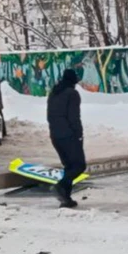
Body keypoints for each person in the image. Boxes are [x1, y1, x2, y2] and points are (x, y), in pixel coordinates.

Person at [46, 69, 85, 208]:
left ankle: (66, 198)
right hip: (68, 135)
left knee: (69, 167)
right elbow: (74, 117)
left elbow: (49, 116)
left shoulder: (54, 93)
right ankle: (60, 187)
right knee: (79, 165)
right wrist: (78, 134)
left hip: (55, 136)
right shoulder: (72, 94)